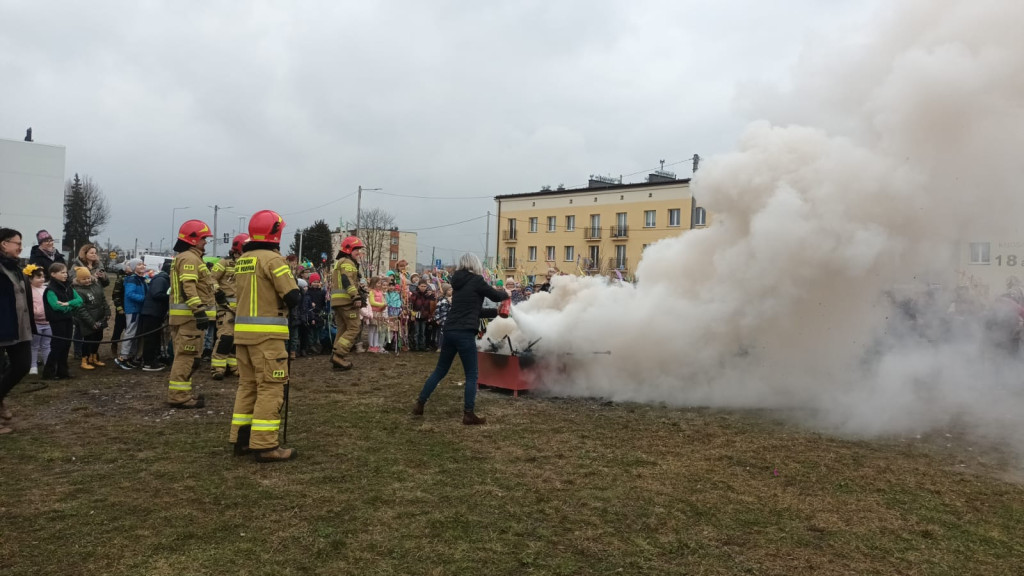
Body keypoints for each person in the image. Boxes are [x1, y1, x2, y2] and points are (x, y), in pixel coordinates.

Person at [229, 209, 300, 462]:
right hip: (267, 337)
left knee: (247, 387)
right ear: (276, 232)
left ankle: (242, 440)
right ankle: (266, 445)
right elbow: (292, 296)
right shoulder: (273, 260)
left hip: (243, 336)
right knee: (271, 388)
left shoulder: (244, 260)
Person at [413, 253, 509, 425]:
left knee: (440, 370)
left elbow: (474, 311)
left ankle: (420, 403)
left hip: (450, 330)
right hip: (465, 333)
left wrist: (495, 313)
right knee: (472, 374)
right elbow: (495, 296)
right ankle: (468, 413)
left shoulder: (457, 283)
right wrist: (506, 293)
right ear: (475, 264)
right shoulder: (476, 280)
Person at [166, 220, 216, 408]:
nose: (206, 242)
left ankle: (182, 393)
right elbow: (189, 287)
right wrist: (199, 310)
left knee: (190, 358)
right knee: (186, 357)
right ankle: (179, 396)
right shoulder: (190, 258)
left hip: (188, 318)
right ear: (193, 239)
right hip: (189, 318)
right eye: (204, 238)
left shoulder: (191, 257)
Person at [1, 229, 35, 433]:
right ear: (4, 244)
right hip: (2, 325)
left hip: (19, 327)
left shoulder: (16, 269)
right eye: (17, 243)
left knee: (22, 365)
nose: (20, 247)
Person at [210, 234, 247, 379]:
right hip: (225, 307)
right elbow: (211, 278)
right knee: (226, 337)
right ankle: (217, 368)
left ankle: (234, 367)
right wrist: (217, 292)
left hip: (242, 308)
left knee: (237, 340)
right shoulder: (224, 262)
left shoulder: (248, 262)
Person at [330, 235, 365, 371]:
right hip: (346, 301)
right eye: (357, 250)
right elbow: (347, 280)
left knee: (343, 329)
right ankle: (339, 355)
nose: (359, 253)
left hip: (338, 302)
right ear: (349, 249)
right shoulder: (348, 263)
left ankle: (335, 354)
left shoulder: (341, 262)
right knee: (354, 328)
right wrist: (356, 296)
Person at [42, 263, 81, 380]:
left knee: (66, 345)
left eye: (65, 272)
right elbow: (56, 307)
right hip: (57, 321)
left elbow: (79, 300)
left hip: (68, 319)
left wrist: (68, 304)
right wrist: (71, 307)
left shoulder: (68, 287)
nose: (65, 274)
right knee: (57, 345)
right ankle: (49, 372)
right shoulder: (50, 290)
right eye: (62, 272)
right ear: (53, 274)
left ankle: (63, 371)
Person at [71, 266, 109, 370]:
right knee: (88, 340)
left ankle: (94, 357)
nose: (87, 280)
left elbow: (103, 299)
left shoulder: (96, 285)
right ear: (78, 280)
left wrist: (107, 311)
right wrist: (91, 322)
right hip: (88, 320)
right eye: (84, 279)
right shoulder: (78, 291)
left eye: (88, 278)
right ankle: (84, 360)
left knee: (98, 338)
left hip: (100, 317)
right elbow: (81, 309)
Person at [114, 259, 148, 369]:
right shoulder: (132, 280)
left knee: (135, 334)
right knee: (130, 333)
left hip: (139, 310)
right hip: (133, 310)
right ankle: (123, 357)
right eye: (139, 264)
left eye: (142, 264)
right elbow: (130, 294)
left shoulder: (141, 280)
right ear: (134, 268)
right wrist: (145, 299)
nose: (142, 266)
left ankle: (131, 356)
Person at [140, 260, 171, 371]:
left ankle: (154, 359)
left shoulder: (162, 279)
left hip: (156, 313)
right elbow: (156, 294)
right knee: (150, 339)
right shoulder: (161, 280)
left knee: (154, 338)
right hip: (151, 313)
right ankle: (148, 362)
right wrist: (171, 296)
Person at [25, 265, 50, 375]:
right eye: (38, 277)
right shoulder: (28, 291)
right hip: (35, 323)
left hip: (48, 322)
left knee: (46, 344)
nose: (42, 279)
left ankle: (48, 364)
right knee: (34, 345)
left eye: (43, 277)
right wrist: (37, 311)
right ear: (30, 278)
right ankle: (33, 365)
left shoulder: (46, 289)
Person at [409, 280, 435, 351]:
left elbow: (432, 305)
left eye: (425, 286)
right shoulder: (415, 294)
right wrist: (412, 315)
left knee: (422, 332)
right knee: (416, 332)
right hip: (416, 315)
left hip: (424, 316)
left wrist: (429, 316)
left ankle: (422, 346)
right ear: (418, 286)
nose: (423, 288)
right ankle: (415, 346)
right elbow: (411, 305)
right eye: (422, 286)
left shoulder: (428, 295)